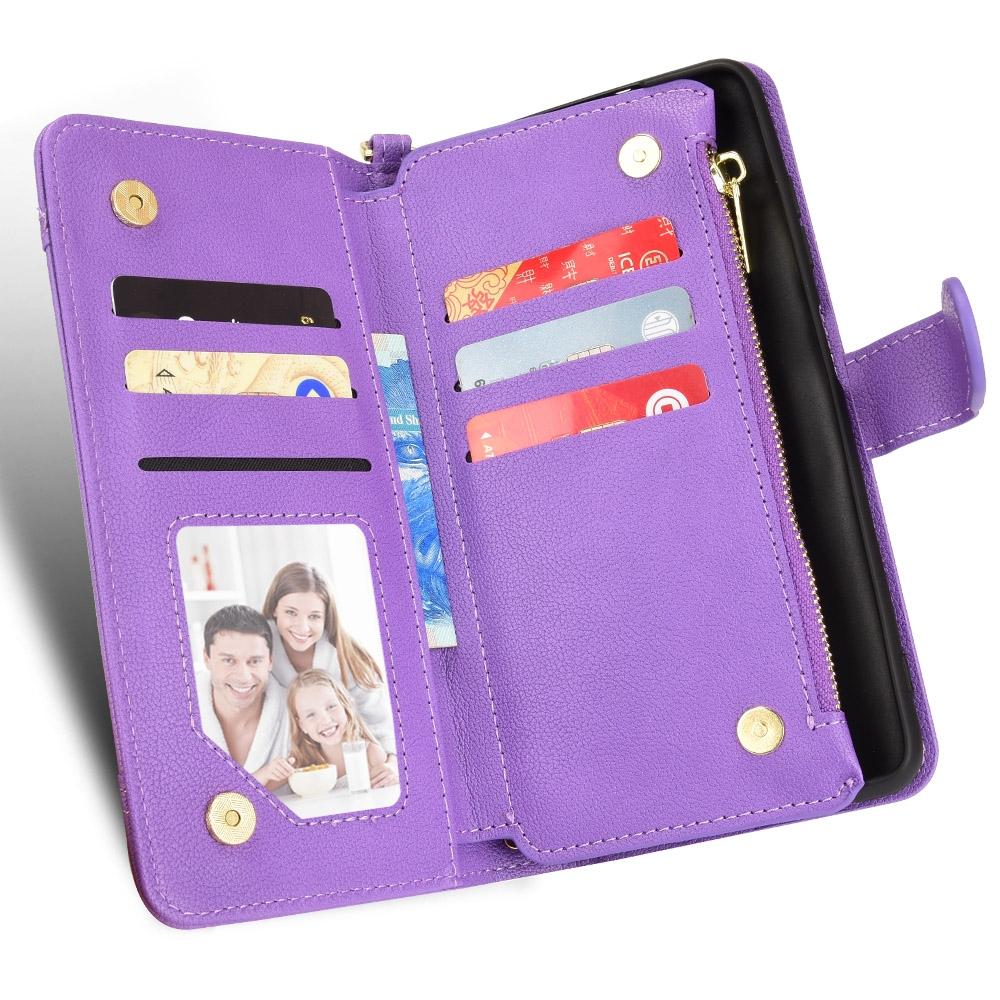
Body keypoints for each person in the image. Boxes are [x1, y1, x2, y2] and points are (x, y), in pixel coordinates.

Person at [261, 562, 396, 755]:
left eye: (314, 616)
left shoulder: (346, 655)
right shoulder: (256, 649)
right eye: (291, 612)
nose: (302, 627)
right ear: (275, 608)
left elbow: (381, 723)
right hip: (289, 762)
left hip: (348, 760)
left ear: (327, 617)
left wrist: (391, 760)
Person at [196, 605, 295, 790]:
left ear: (270, 661)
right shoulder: (178, 714)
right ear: (207, 658)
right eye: (228, 660)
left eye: (255, 661)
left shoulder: (294, 711)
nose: (243, 676)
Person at [287, 670, 398, 789]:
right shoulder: (302, 767)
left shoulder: (371, 755)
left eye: (331, 706)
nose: (325, 720)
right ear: (302, 725)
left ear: (346, 706)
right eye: (311, 715)